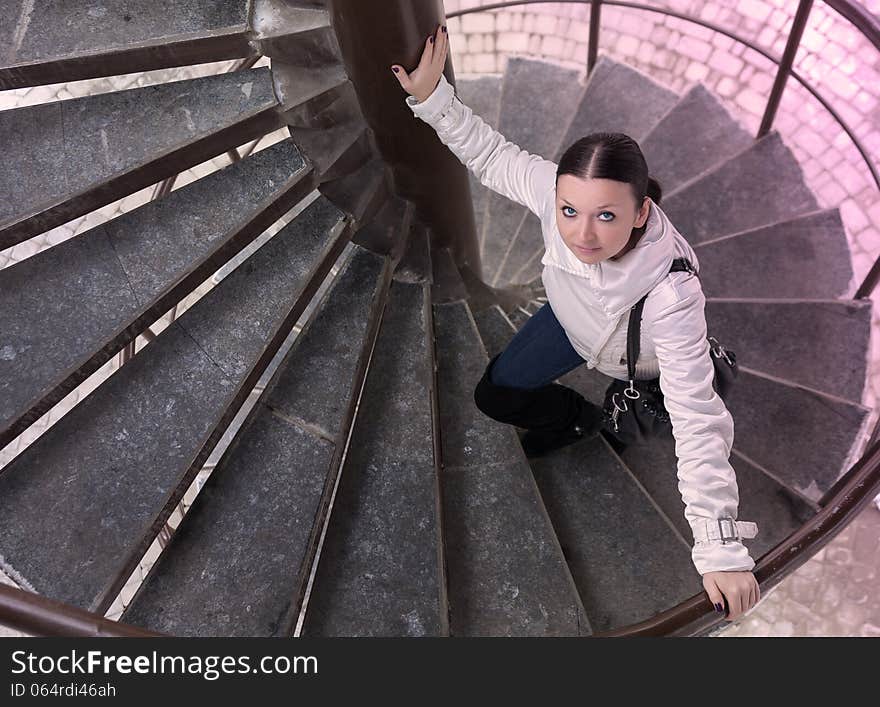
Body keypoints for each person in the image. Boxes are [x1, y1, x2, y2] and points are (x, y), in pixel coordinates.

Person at [392, 23, 760, 624]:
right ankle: (576, 419)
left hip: (635, 357)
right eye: (569, 210)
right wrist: (433, 100)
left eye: (606, 216)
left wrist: (719, 544)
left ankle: (597, 416)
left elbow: (700, 423)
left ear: (641, 211)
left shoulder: (672, 296)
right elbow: (490, 155)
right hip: (568, 324)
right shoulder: (553, 194)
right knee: (495, 395)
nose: (582, 234)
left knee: (665, 415)